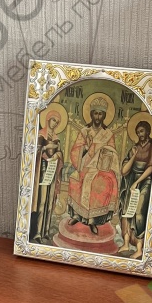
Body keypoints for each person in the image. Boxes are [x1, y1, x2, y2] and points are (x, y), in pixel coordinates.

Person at [66, 97, 119, 235]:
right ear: (91, 114)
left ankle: (93, 220)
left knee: (101, 182)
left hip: (101, 167)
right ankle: (77, 216)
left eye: (100, 114)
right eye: (95, 113)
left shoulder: (108, 134)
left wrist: (105, 153)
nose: (98, 117)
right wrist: (86, 148)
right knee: (77, 178)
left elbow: (112, 151)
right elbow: (75, 150)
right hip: (85, 165)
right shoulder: (85, 131)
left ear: (104, 116)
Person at [118, 119, 152, 258]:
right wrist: (133, 156)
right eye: (138, 132)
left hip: (145, 181)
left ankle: (139, 248)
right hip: (132, 181)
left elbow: (151, 167)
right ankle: (126, 243)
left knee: (139, 213)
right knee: (127, 211)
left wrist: (137, 182)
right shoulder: (134, 147)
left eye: (142, 131)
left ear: (148, 131)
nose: (140, 134)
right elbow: (124, 171)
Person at [30, 112, 64, 242]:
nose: (55, 123)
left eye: (57, 122)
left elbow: (60, 153)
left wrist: (57, 155)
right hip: (43, 170)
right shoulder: (41, 134)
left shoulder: (56, 137)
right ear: (48, 119)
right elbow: (36, 151)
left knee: (50, 203)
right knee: (42, 202)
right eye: (53, 120)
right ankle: (38, 232)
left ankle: (46, 231)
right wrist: (45, 147)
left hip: (53, 170)